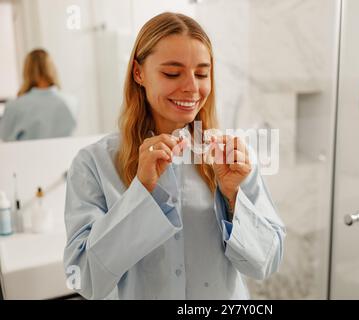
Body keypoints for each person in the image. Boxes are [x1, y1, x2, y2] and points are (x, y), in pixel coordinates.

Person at [63, 12, 285, 300]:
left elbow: (267, 263)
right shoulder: (94, 164)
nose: (192, 87)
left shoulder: (232, 158)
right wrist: (142, 193)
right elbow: (83, 278)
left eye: (202, 73)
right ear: (139, 73)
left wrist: (232, 197)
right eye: (172, 73)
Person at [0, 49, 77, 142]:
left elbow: (5, 138)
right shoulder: (72, 102)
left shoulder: (14, 106)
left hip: (24, 155)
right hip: (64, 155)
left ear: (27, 71)